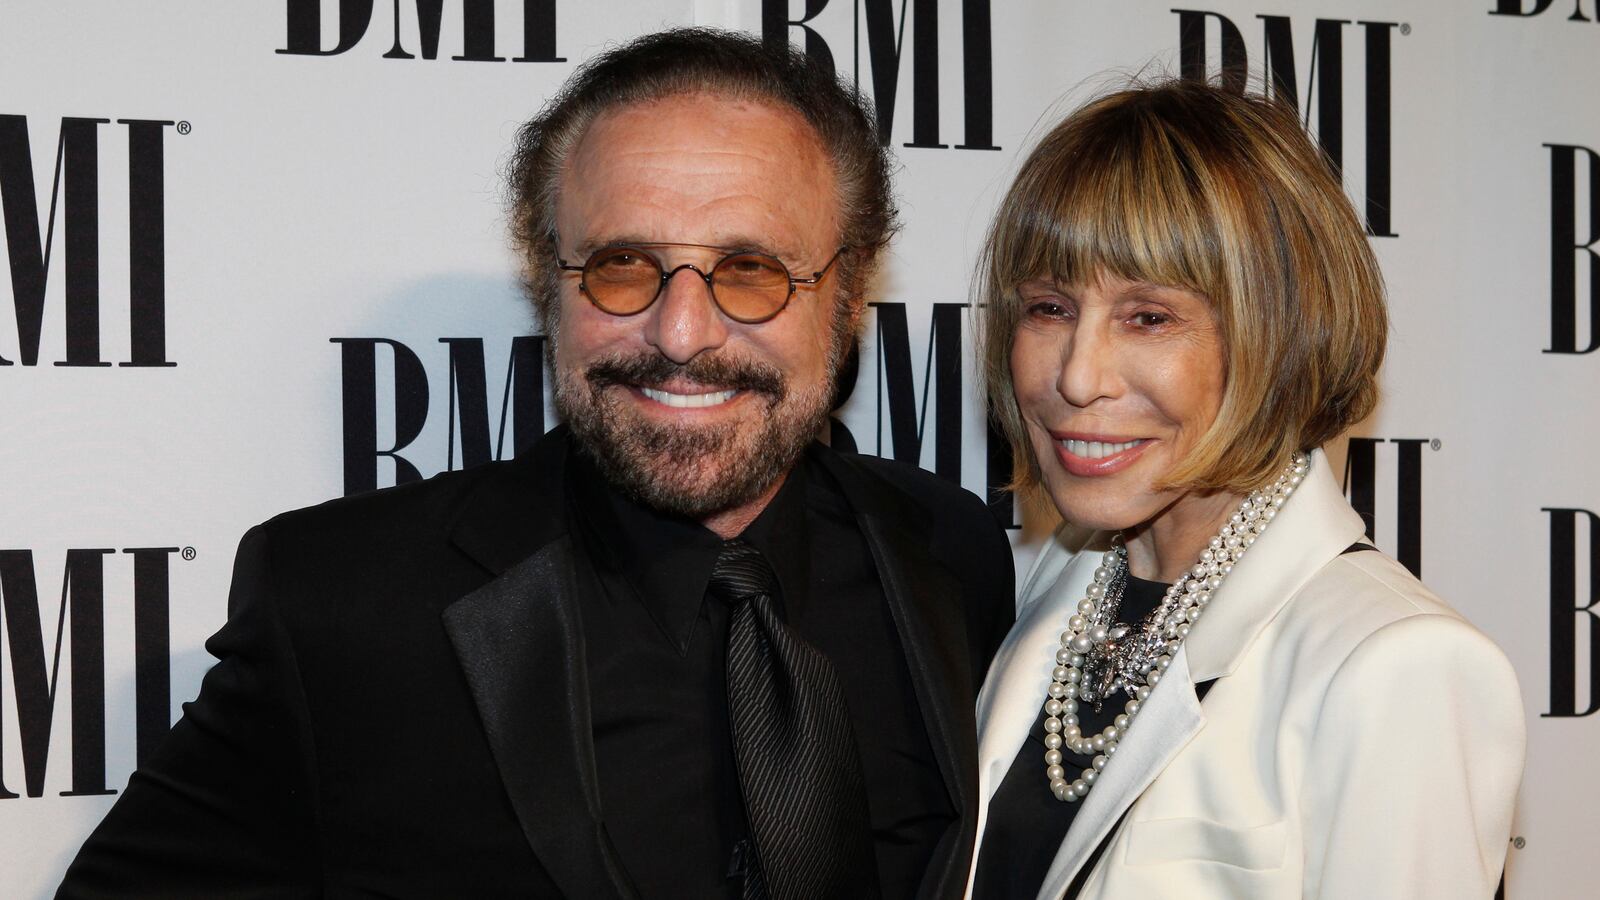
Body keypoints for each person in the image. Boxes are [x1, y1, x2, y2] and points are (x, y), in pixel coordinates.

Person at [57, 28, 1014, 900]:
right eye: (622, 266)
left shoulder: (947, 554)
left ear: (848, 293)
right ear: (547, 281)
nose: (682, 334)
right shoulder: (343, 610)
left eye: (751, 270)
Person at [966, 79, 1523, 900]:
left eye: (1149, 317)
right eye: (1050, 307)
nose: (1078, 377)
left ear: (1280, 334)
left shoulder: (1396, 666)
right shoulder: (1058, 580)